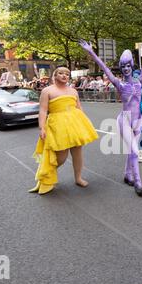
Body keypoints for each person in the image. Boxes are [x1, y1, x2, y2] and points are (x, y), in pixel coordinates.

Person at [79, 37, 142, 197]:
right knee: (135, 151)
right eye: (123, 66)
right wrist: (91, 52)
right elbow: (104, 67)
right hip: (125, 120)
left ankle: (127, 174)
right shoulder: (118, 83)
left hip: (138, 120)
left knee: (132, 150)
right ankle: (138, 182)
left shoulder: (139, 80)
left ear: (132, 66)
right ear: (121, 68)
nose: (126, 68)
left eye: (128, 65)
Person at [28, 67, 99, 195]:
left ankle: (78, 178)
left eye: (67, 74)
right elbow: (43, 110)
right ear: (54, 76)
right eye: (61, 73)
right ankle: (46, 175)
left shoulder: (73, 91)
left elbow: (79, 107)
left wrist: (84, 123)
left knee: (78, 152)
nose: (64, 75)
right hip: (57, 125)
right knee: (61, 157)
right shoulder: (47, 90)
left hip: (75, 123)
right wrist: (42, 127)